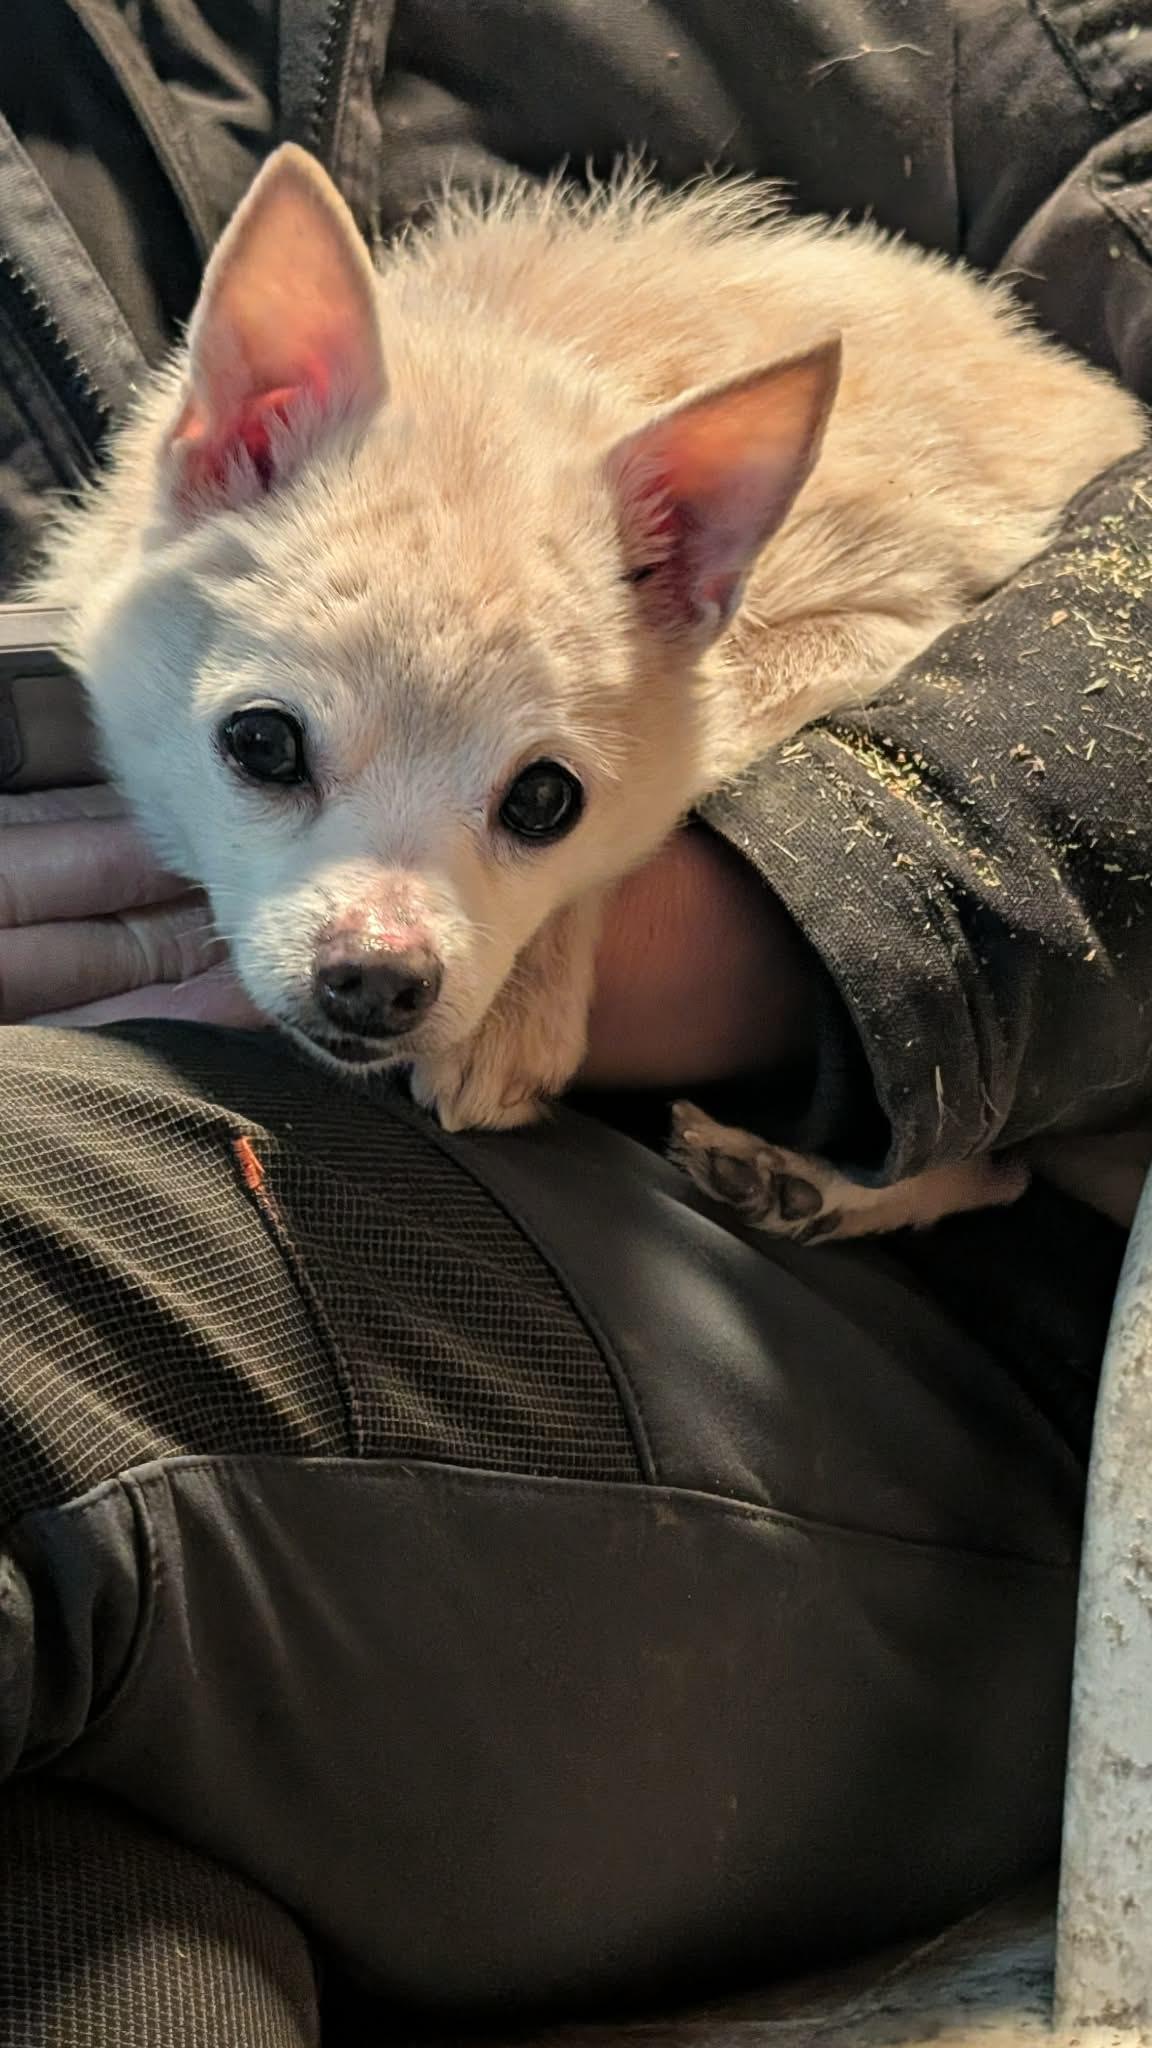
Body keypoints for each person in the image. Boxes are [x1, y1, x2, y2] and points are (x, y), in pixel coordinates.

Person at [1, 3, 1150, 2042]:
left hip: (859, 1356)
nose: (383, 931)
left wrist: (732, 933)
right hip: (214, 1409)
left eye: (529, 800)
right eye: (275, 750)